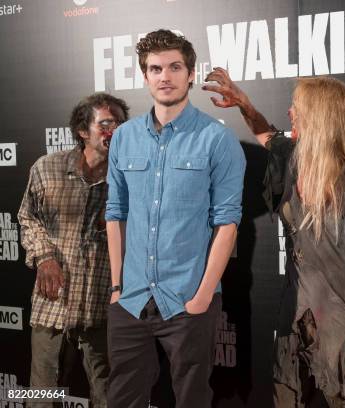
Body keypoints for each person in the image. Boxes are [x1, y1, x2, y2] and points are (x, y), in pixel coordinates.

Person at [203, 69, 345, 407]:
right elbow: (266, 135)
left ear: (319, 117)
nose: (290, 112)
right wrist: (244, 104)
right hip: (296, 316)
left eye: (296, 107)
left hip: (343, 320)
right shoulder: (293, 160)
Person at [105, 30, 245, 408]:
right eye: (155, 68)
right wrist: (117, 288)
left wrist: (201, 296)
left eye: (174, 67)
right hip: (131, 300)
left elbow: (227, 224)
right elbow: (115, 215)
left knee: (192, 399)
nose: (164, 76)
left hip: (188, 300)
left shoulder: (218, 140)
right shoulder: (124, 138)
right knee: (122, 399)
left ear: (190, 73)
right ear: (144, 75)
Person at [18, 92, 129, 408]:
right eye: (106, 124)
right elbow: (28, 217)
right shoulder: (47, 168)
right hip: (53, 303)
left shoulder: (129, 178)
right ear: (83, 131)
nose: (114, 131)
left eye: (120, 124)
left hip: (101, 305)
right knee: (42, 395)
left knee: (108, 396)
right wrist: (45, 256)